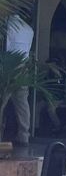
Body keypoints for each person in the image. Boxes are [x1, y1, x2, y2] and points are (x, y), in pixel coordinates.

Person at [5, 8, 34, 145]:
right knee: (22, 103)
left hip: (8, 67)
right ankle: (24, 135)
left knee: (2, 101)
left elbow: (5, 47)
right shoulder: (29, 29)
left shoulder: (7, 25)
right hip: (23, 67)